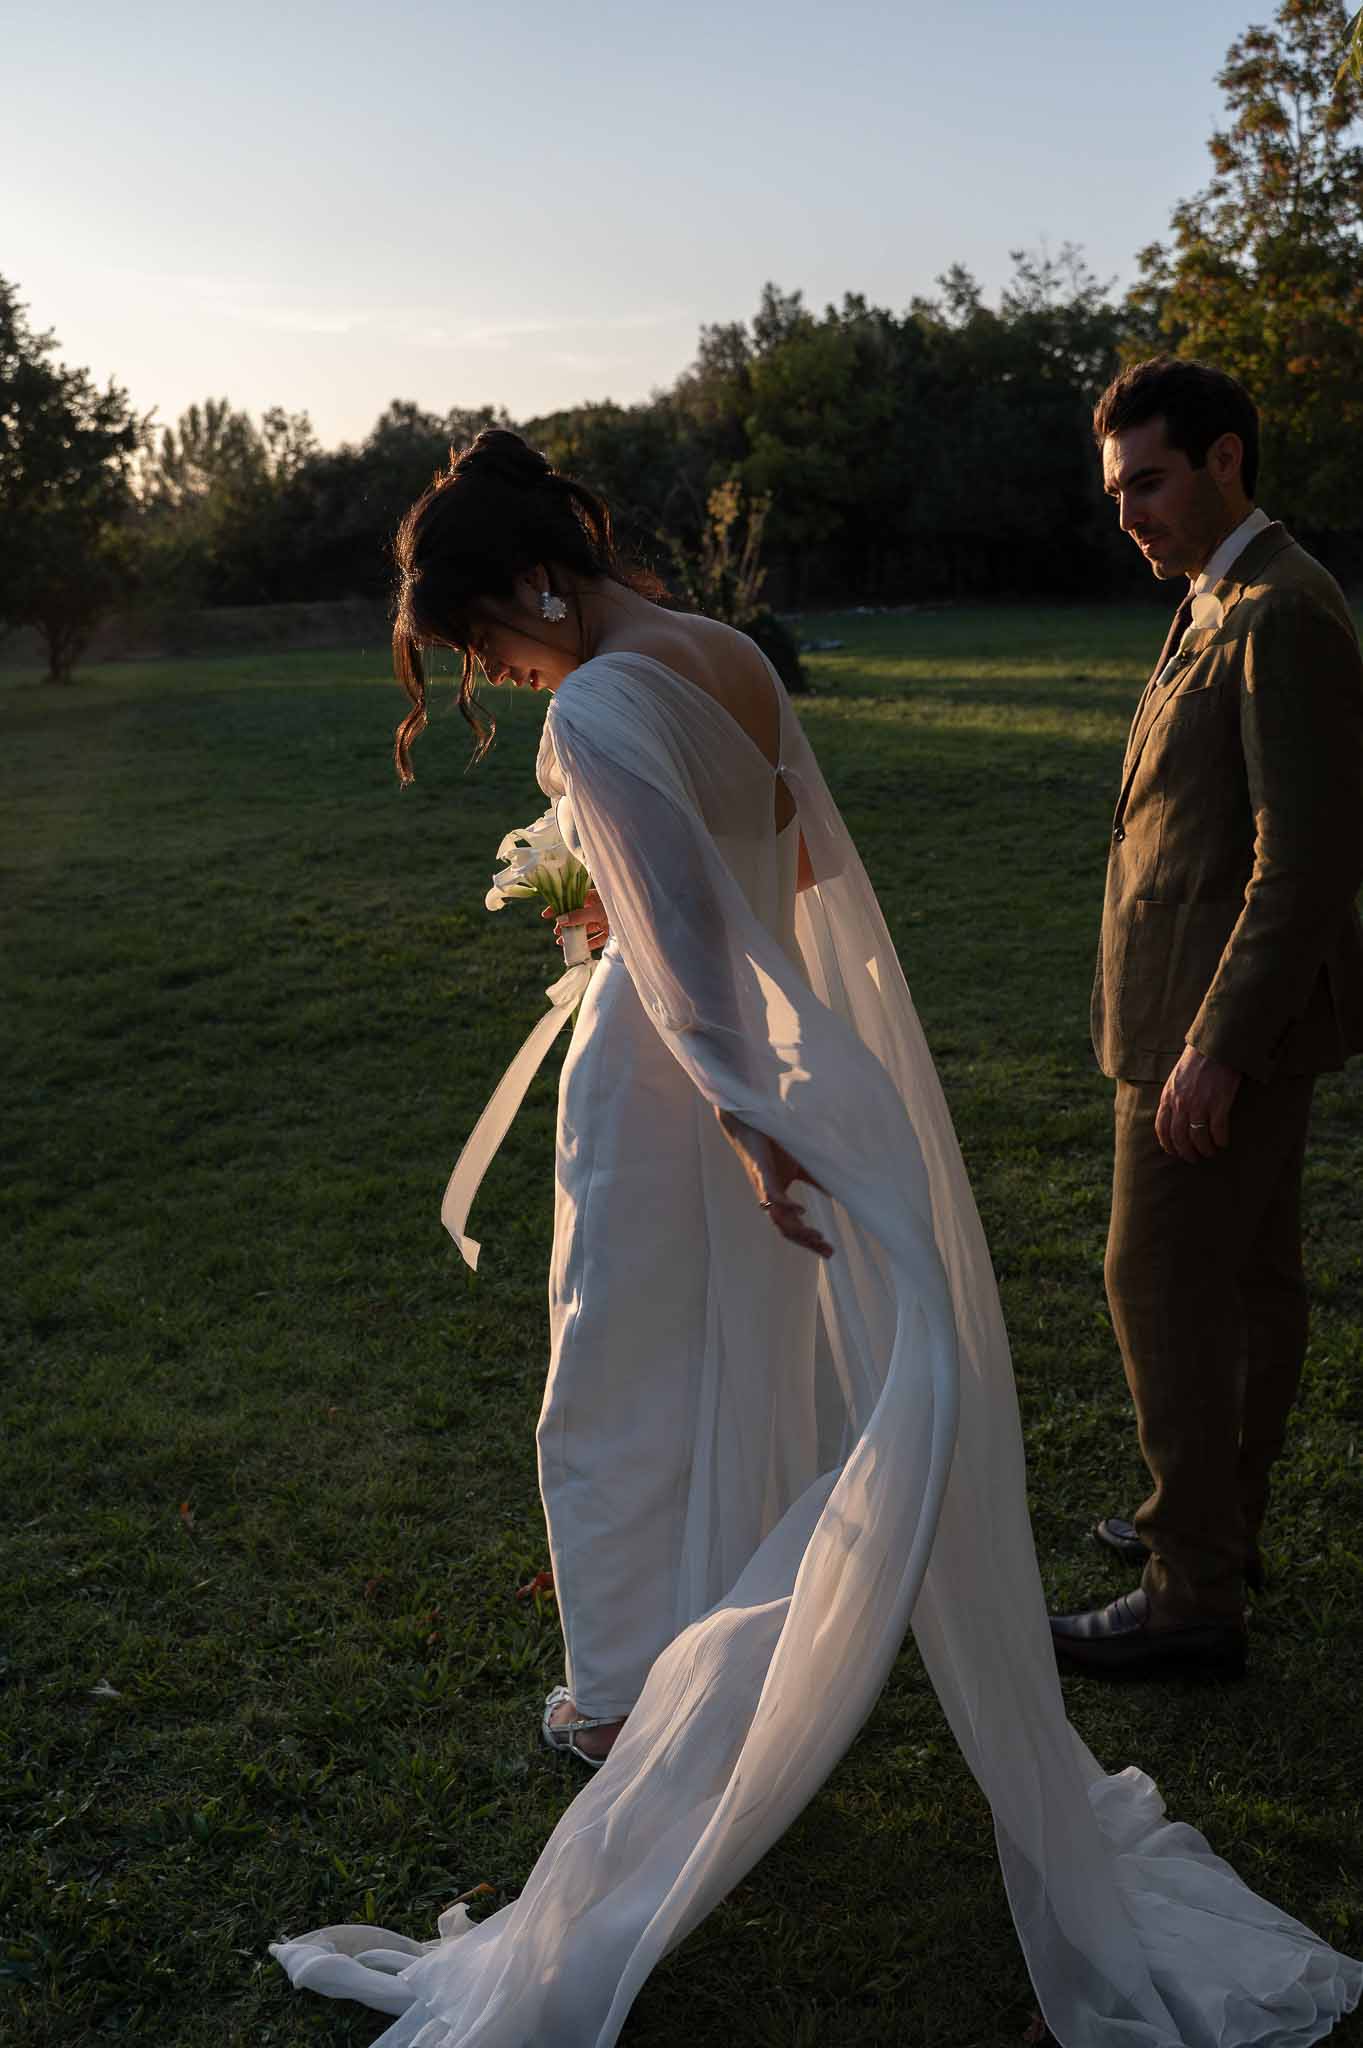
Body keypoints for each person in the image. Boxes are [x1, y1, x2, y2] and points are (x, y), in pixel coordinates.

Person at [271, 429, 1361, 2047]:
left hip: (675, 1080)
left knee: (613, 1376)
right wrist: (715, 1022)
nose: (493, 673)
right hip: (764, 1057)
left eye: (483, 640)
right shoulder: (725, 652)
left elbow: (683, 948)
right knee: (739, 1361)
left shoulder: (597, 704)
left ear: (536, 585)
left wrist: (735, 1111)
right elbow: (774, 871)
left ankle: (625, 1699)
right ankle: (697, 1665)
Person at [1051, 358, 1363, 1680]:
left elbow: (1305, 862)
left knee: (1164, 1283)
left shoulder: (1281, 610)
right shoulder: (1216, 594)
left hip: (1214, 1025)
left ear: (1227, 460)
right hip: (1184, 1006)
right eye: (1118, 489)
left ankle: (1191, 1595)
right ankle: (1214, 1532)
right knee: (1242, 1280)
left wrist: (1217, 1049)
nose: (1129, 513)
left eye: (1151, 482)